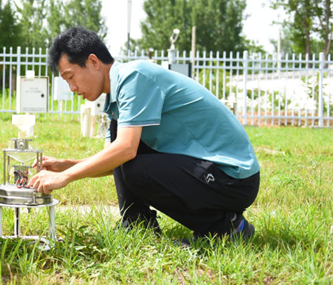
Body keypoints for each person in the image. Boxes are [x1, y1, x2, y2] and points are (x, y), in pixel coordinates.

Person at [28, 27, 260, 243]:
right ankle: (138, 224)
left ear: (93, 61)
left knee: (133, 165)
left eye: (71, 77)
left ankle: (227, 228)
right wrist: (65, 165)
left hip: (232, 177)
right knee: (122, 147)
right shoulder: (118, 95)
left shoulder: (134, 77)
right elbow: (113, 159)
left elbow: (126, 150)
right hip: (211, 171)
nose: (72, 88)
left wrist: (66, 176)